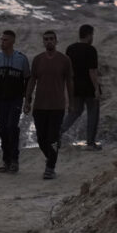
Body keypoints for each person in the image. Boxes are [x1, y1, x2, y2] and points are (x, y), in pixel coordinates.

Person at [23, 30, 73, 180]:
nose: (49, 41)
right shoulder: (38, 60)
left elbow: (70, 82)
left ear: (56, 41)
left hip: (57, 106)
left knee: (52, 138)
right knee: (41, 139)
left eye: (51, 39)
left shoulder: (64, 60)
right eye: (46, 39)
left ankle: (50, 167)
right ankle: (51, 156)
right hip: (40, 106)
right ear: (43, 42)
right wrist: (27, 99)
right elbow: (32, 80)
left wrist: (71, 102)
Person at [0, 30, 32, 174]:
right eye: (1, 40)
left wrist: (28, 99)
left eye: (5, 40)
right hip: (1, 99)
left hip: (16, 99)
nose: (2, 43)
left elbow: (28, 79)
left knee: (11, 127)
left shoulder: (21, 59)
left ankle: (14, 160)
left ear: (13, 41)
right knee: (2, 129)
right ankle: (6, 160)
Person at [59, 25, 101, 150]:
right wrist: (97, 88)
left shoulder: (70, 49)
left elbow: (67, 71)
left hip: (75, 86)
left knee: (74, 112)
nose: (92, 37)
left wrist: (68, 90)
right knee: (93, 113)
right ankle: (90, 143)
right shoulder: (91, 50)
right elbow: (92, 72)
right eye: (92, 35)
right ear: (89, 35)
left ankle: (58, 133)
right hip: (88, 87)